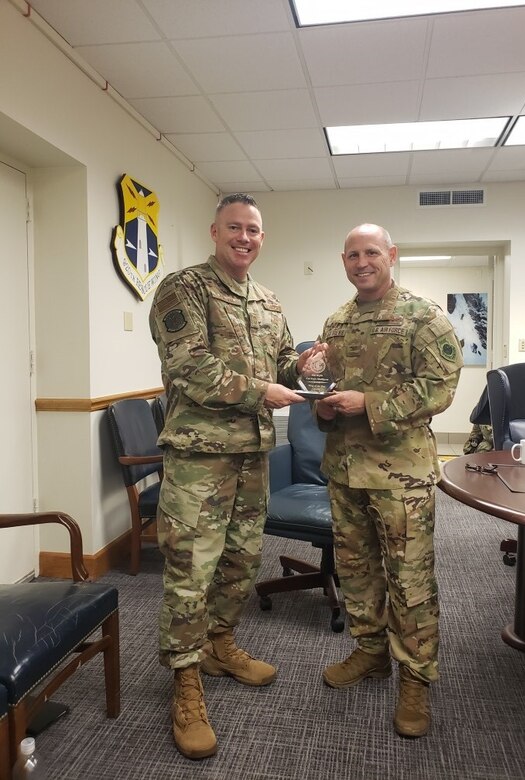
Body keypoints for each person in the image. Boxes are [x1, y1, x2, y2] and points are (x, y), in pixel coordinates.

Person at [149, 193, 320, 760]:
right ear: (214, 230)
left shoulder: (268, 301)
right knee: (191, 568)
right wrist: (261, 392)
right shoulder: (185, 288)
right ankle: (185, 679)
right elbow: (189, 367)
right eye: (234, 228)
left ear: (262, 238)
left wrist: (306, 365)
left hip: (252, 455)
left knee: (241, 560)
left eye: (253, 230)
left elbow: (280, 366)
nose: (244, 238)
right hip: (199, 458)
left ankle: (220, 642)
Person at [315, 223, 463, 738]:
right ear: (344, 260)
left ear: (391, 255)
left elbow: (441, 388)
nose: (362, 262)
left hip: (401, 476)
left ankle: (416, 680)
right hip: (345, 469)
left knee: (409, 580)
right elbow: (326, 388)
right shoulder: (336, 322)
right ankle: (371, 652)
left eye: (371, 252)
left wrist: (370, 404)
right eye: (352, 254)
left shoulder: (424, 317)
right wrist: (323, 400)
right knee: (356, 573)